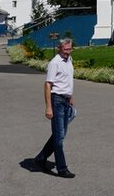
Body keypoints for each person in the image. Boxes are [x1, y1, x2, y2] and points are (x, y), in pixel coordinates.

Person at [33, 39, 76, 178]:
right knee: (58, 138)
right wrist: (48, 107)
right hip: (56, 101)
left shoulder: (69, 60)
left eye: (70, 49)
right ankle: (62, 169)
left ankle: (40, 158)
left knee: (60, 134)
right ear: (59, 48)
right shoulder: (55, 63)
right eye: (65, 50)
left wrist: (70, 96)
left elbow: (67, 80)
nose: (68, 52)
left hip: (65, 100)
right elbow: (47, 85)